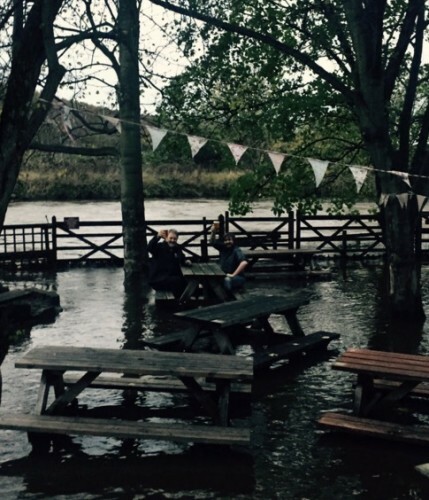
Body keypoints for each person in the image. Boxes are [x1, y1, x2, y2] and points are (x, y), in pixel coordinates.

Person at [147, 228, 190, 298]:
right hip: (157, 279)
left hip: (168, 278)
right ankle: (179, 303)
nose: (172, 240)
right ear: (166, 238)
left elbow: (181, 257)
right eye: (171, 238)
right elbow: (149, 247)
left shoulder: (177, 248)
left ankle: (183, 301)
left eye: (175, 239)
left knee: (187, 281)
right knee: (179, 282)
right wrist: (157, 236)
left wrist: (186, 261)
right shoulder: (159, 247)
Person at [210, 226, 248, 292]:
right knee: (211, 280)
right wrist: (213, 232)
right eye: (226, 240)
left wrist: (233, 275)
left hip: (238, 278)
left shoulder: (236, 250)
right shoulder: (223, 248)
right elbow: (212, 242)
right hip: (224, 275)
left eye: (230, 240)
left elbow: (244, 262)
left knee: (226, 280)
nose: (228, 242)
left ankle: (228, 297)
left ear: (233, 241)